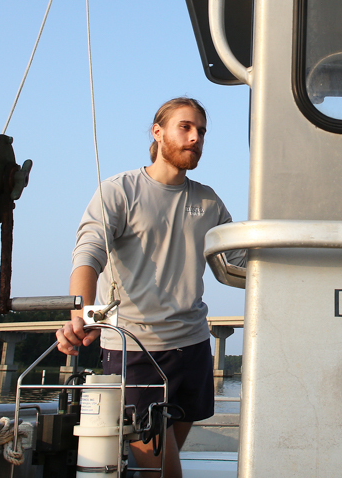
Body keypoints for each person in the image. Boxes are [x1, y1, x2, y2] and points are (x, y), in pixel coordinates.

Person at [56, 97, 244, 478]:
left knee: (159, 463)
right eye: (185, 127)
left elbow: (240, 264)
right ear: (157, 132)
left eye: (201, 131)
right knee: (160, 466)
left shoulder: (209, 202)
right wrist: (81, 314)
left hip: (192, 346)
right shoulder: (119, 191)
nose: (195, 138)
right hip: (135, 349)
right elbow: (88, 256)